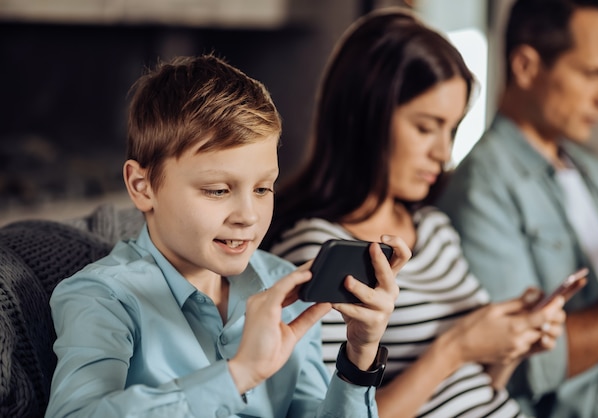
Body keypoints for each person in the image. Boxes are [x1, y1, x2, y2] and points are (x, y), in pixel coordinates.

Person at [44, 53, 412, 418]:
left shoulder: (284, 288)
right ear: (142, 187)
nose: (248, 216)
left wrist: (359, 358)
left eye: (263, 189)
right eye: (218, 190)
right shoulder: (103, 297)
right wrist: (239, 374)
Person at [263, 8, 566, 418]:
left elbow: (478, 385)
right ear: (366, 116)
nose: (443, 153)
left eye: (452, 129)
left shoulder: (434, 227)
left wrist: (511, 343)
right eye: (426, 127)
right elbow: (337, 412)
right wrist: (455, 348)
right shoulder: (316, 251)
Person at [437, 0, 598, 417]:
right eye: (593, 74)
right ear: (525, 66)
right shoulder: (481, 187)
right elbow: (529, 363)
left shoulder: (593, 169)